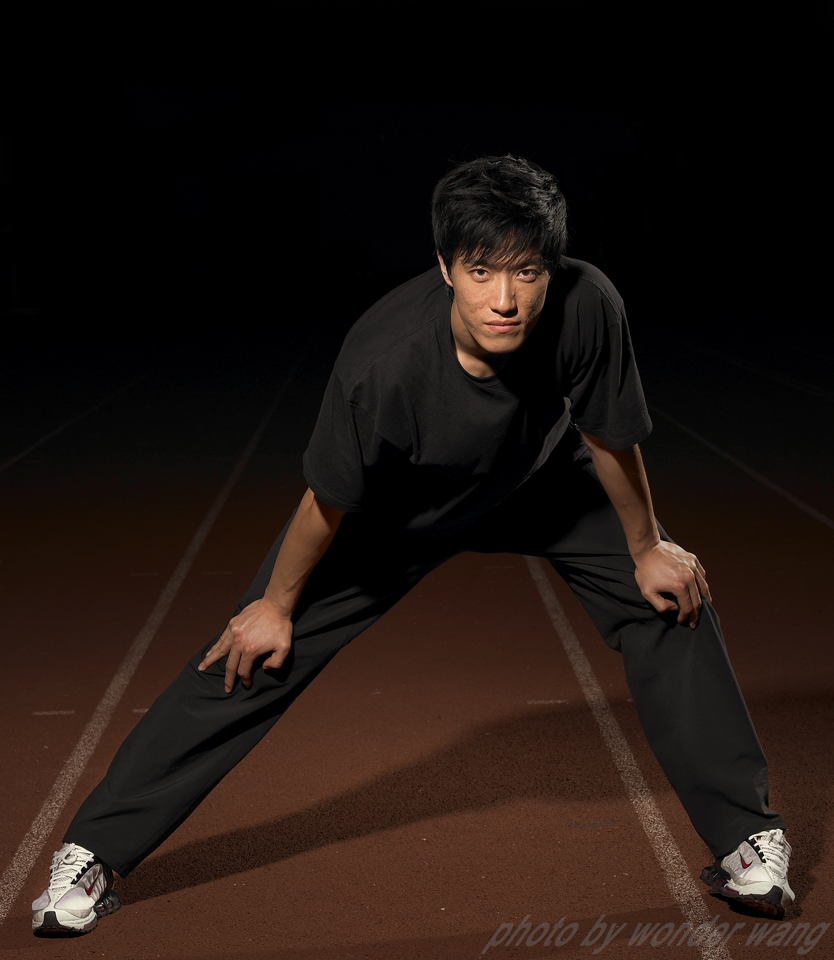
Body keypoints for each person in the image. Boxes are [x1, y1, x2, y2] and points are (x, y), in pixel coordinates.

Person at [32, 155, 794, 936]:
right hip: (398, 509)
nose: (505, 299)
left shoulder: (588, 303)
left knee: (670, 595)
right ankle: (94, 851)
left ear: (553, 267)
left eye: (527, 271)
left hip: (538, 484)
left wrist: (646, 547)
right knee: (252, 649)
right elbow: (327, 502)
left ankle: (745, 838)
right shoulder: (382, 360)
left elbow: (607, 436)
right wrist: (276, 605)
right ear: (445, 267)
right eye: (481, 270)